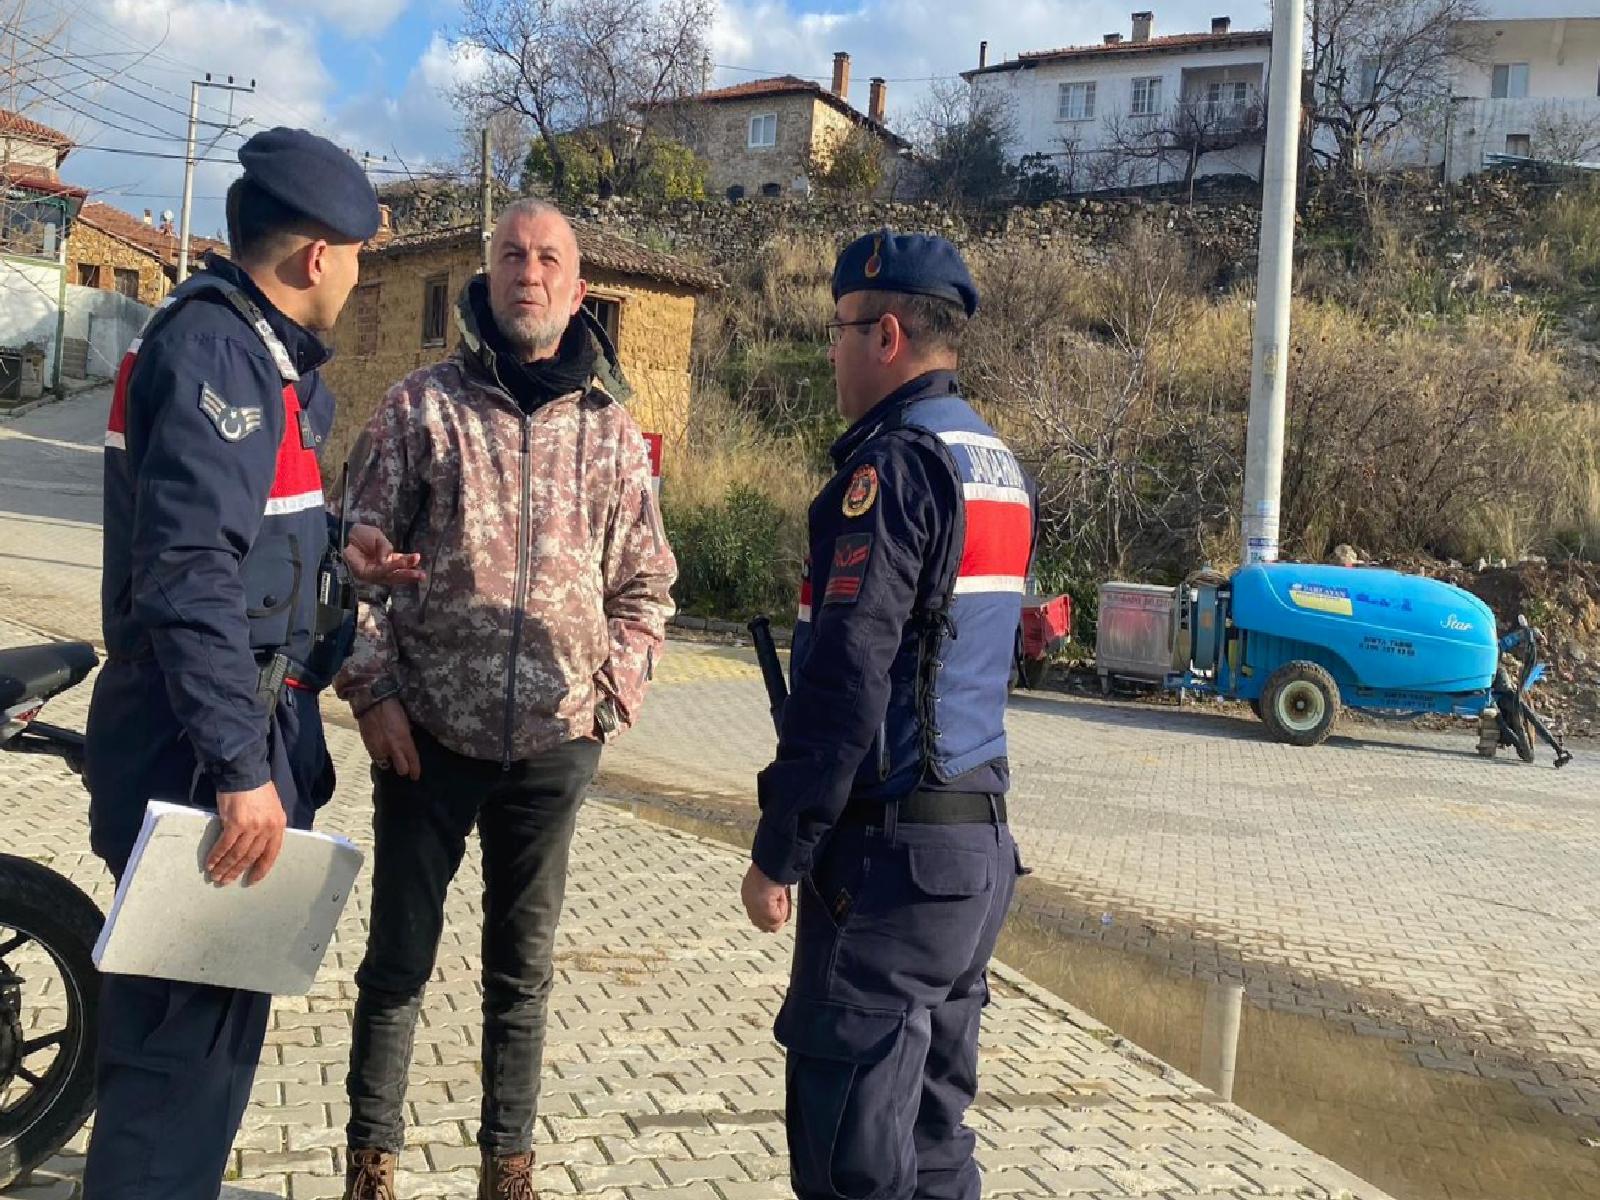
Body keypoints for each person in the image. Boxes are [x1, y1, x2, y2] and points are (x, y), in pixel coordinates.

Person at [83, 127, 420, 1199]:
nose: (362, 279)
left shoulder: (256, 357)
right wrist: (240, 771)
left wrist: (338, 548)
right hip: (199, 758)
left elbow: (240, 531)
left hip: (233, 738)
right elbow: (185, 574)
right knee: (173, 1078)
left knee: (207, 1060)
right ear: (317, 254)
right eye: (361, 256)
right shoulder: (217, 353)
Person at [334, 199, 677, 1200]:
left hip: (554, 745)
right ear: (487, 278)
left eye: (550, 260)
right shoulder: (417, 410)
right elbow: (353, 574)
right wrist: (372, 694)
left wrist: (614, 688)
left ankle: (506, 1167)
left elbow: (647, 586)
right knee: (397, 957)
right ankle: (371, 1160)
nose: (529, 273)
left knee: (520, 969)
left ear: (577, 291)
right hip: (424, 734)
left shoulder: (610, 437)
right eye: (512, 256)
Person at [740, 230, 1036, 1200]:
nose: (829, 350)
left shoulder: (892, 471)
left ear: (887, 334)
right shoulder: (992, 460)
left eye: (838, 329)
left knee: (852, 1163)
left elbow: (846, 678)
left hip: (886, 865)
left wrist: (782, 846)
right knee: (935, 1146)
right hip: (972, 857)